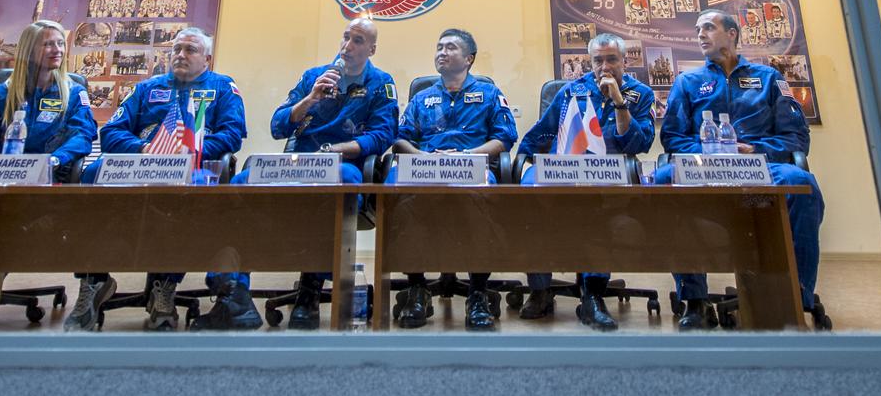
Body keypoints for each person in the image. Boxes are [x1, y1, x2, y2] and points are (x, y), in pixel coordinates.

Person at [72, 27, 253, 332]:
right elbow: (111, 132)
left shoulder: (222, 87)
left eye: (190, 50)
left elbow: (232, 134)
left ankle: (165, 286)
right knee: (93, 171)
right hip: (142, 167)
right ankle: (93, 280)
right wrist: (142, 148)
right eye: (176, 49)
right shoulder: (147, 88)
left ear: (207, 58)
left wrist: (193, 151)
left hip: (190, 168)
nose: (180, 55)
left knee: (188, 191)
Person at [654, 9, 825, 330]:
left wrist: (755, 150)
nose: (700, 35)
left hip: (758, 166)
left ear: (732, 34)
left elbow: (796, 138)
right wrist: (709, 151)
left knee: (802, 182)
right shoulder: (687, 82)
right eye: (697, 30)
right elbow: (673, 138)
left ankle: (795, 297)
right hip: (707, 167)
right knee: (664, 177)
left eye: (708, 27)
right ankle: (694, 299)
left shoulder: (769, 78)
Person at [232, 17, 398, 330]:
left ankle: (311, 287)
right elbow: (278, 125)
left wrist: (341, 149)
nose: (348, 46)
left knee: (345, 181)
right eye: (346, 37)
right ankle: (234, 291)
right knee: (243, 180)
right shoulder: (313, 76)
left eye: (358, 41)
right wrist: (310, 100)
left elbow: (383, 135)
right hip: (299, 160)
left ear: (372, 49)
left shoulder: (381, 83)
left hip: (341, 162)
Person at [515, 33, 655, 331]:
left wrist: (618, 101)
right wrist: (524, 162)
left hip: (608, 179)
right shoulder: (571, 91)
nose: (605, 66)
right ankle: (539, 289)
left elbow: (638, 144)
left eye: (612, 60)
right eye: (598, 60)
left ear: (624, 61)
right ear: (589, 62)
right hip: (563, 174)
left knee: (595, 211)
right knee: (529, 199)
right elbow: (542, 133)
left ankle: (592, 295)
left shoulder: (640, 94)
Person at [388, 29, 517, 331]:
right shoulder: (422, 98)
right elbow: (400, 139)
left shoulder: (489, 94)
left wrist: (469, 156)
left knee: (479, 205)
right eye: (439, 47)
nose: (441, 52)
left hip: (472, 168)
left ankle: (477, 292)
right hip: (426, 169)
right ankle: (418, 288)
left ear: (469, 58)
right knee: (402, 204)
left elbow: (505, 138)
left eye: (450, 47)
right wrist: (421, 157)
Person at [0, 20, 97, 180]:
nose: (58, 50)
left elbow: (82, 136)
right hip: (1, 177)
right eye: (48, 44)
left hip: (49, 176)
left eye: (60, 43)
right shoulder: (0, 94)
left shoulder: (74, 93)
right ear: (29, 51)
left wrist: (55, 160)